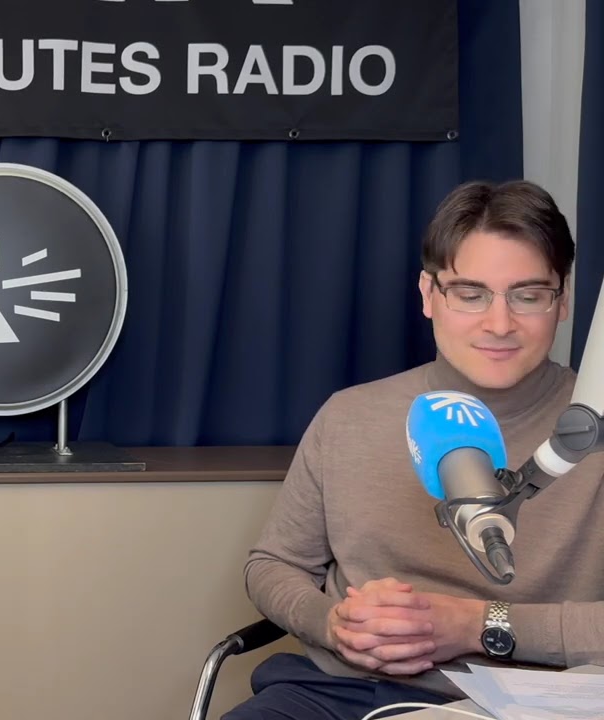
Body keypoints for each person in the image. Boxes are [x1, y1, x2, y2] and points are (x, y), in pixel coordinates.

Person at [224, 179, 604, 719]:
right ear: (429, 294)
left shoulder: (591, 428)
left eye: (527, 295)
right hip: (339, 692)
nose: (499, 324)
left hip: (531, 700)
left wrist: (477, 625)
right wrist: (330, 623)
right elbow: (275, 564)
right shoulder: (349, 416)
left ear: (562, 300)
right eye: (470, 294)